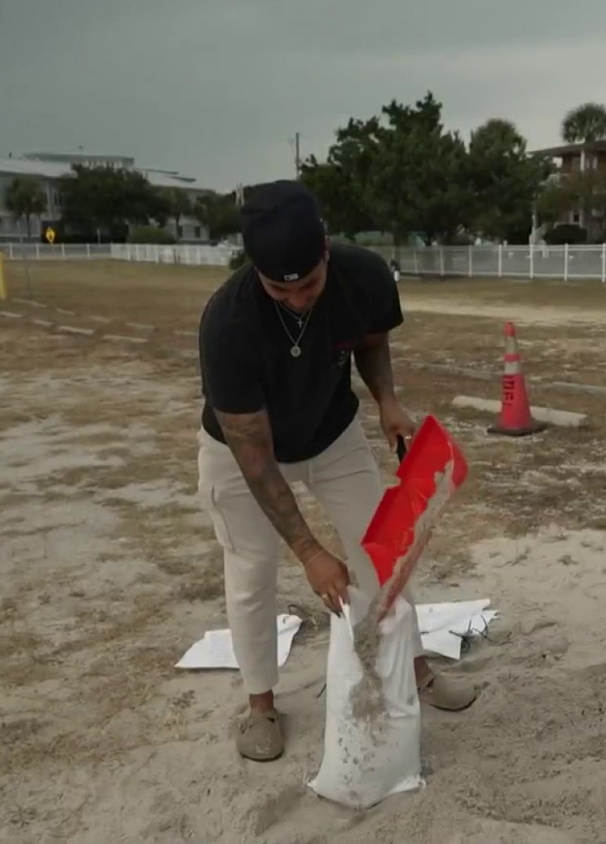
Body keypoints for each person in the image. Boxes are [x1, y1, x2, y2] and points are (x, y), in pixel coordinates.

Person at [196, 181, 479, 762]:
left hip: (331, 431)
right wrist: (310, 551)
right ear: (256, 271)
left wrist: (387, 400)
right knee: (252, 570)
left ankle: (415, 672)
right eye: (280, 289)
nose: (298, 300)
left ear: (326, 249)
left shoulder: (365, 275)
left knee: (385, 554)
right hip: (243, 453)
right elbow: (254, 455)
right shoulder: (227, 323)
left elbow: (372, 341)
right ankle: (261, 705)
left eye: (309, 285)